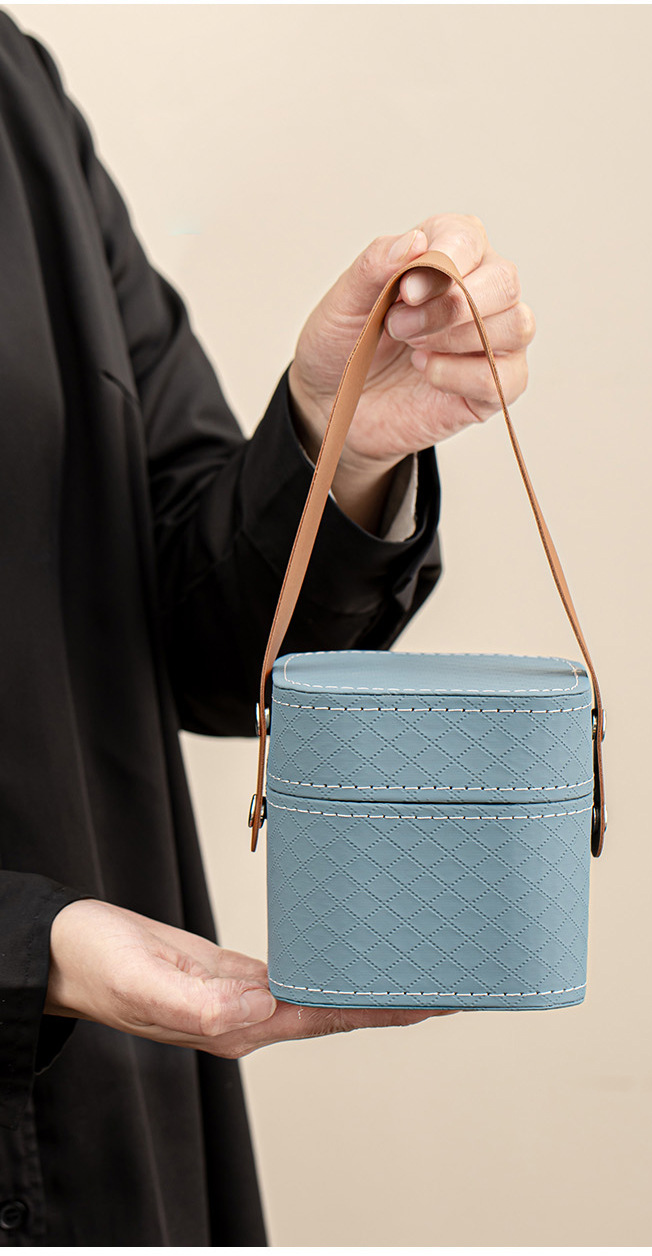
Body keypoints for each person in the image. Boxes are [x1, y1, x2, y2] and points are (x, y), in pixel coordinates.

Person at [0, 10, 535, 1245]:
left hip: (113, 1132)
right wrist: (33, 948)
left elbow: (195, 641)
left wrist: (341, 441)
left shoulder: (14, 90)